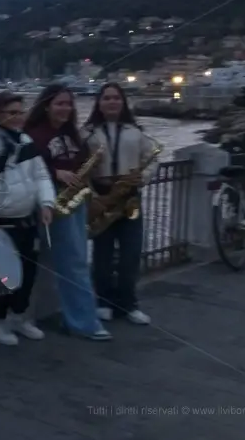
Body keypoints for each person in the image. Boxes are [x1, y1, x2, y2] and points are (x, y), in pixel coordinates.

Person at [24, 84, 111, 341]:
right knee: (74, 264)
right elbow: (27, 167)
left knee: (76, 261)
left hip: (75, 201)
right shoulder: (34, 134)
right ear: (46, 105)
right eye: (60, 103)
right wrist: (55, 172)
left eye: (68, 104)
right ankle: (85, 322)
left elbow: (81, 164)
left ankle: (78, 313)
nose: (65, 108)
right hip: (54, 203)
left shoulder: (71, 133)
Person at [0, 90, 56, 346]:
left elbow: (41, 175)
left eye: (21, 112)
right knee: (4, 277)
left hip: (27, 220)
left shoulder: (26, 140)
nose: (18, 117)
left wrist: (46, 202)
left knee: (28, 273)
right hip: (1, 221)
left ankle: (19, 317)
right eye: (12, 113)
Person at [82, 82, 157, 326]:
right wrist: (92, 193)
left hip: (129, 196)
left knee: (131, 253)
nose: (112, 102)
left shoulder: (135, 131)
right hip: (102, 196)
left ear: (123, 102)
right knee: (102, 254)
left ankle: (129, 304)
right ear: (99, 103)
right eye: (107, 98)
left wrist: (143, 178)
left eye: (116, 98)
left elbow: (153, 157)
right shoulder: (87, 132)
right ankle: (103, 302)